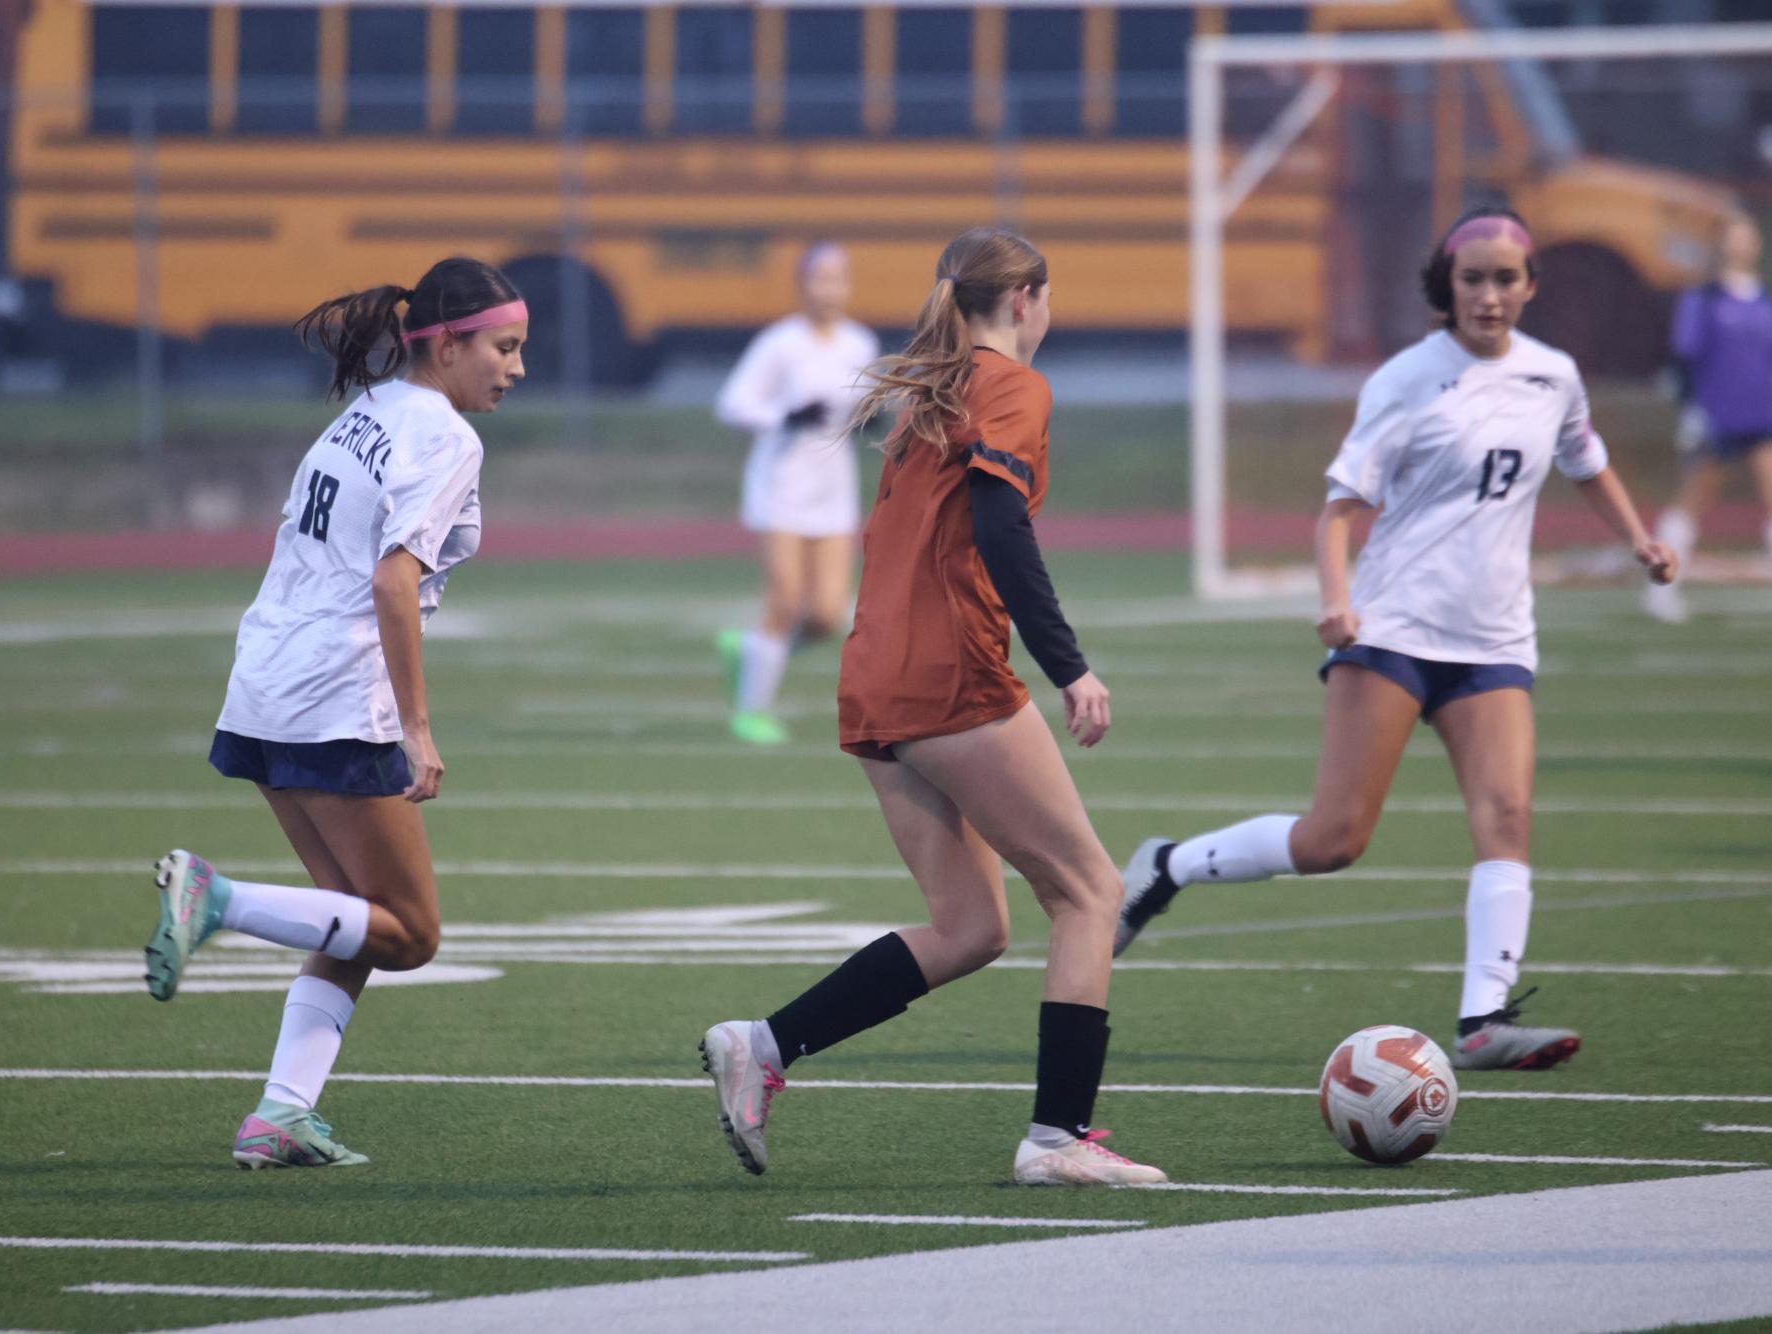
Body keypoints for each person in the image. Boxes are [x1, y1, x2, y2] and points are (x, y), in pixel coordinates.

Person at [1113, 208, 1678, 1073]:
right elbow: (1338, 511)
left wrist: (1638, 538)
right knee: (1333, 840)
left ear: (1530, 286)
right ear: (1445, 287)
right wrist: (1336, 602)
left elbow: (1584, 458)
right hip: (1393, 630)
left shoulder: (1552, 375)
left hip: (1494, 638)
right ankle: (1168, 866)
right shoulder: (1407, 379)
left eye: (1504, 279)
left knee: (1507, 816)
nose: (1487, 295)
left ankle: (1481, 1022)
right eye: (1471, 279)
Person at [701, 227, 1167, 1187]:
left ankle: (762, 1044)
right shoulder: (1011, 386)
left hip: (875, 676)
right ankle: (1056, 1138)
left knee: (971, 929)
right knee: (1089, 893)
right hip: (947, 678)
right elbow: (1000, 525)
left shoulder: (930, 393)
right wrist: (1069, 666)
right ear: (1026, 298)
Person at [141, 257, 526, 1168]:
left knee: (350, 917)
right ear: (446, 345)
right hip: (334, 695)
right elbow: (393, 583)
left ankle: (281, 1114)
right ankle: (217, 900)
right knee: (412, 934)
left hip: (267, 677)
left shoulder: (369, 409)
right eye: (503, 348)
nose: (516, 369)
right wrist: (416, 728)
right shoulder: (444, 434)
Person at [714, 241, 879, 745]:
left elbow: (863, 405)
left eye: (838, 279)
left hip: (832, 489)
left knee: (828, 615)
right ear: (801, 285)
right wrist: (784, 417)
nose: (829, 289)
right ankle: (751, 712)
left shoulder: (859, 343)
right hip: (780, 485)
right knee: (785, 600)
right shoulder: (780, 343)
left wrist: (874, 415)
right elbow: (733, 403)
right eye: (819, 279)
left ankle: (751, 652)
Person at [1644, 214, 1772, 623]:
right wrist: (1690, 410)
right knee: (1693, 498)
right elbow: (1684, 356)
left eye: (1748, 237)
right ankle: (1661, 587)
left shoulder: (1765, 299)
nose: (1742, 244)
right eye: (1735, 237)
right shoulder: (1704, 298)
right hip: (1716, 414)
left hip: (1762, 414)